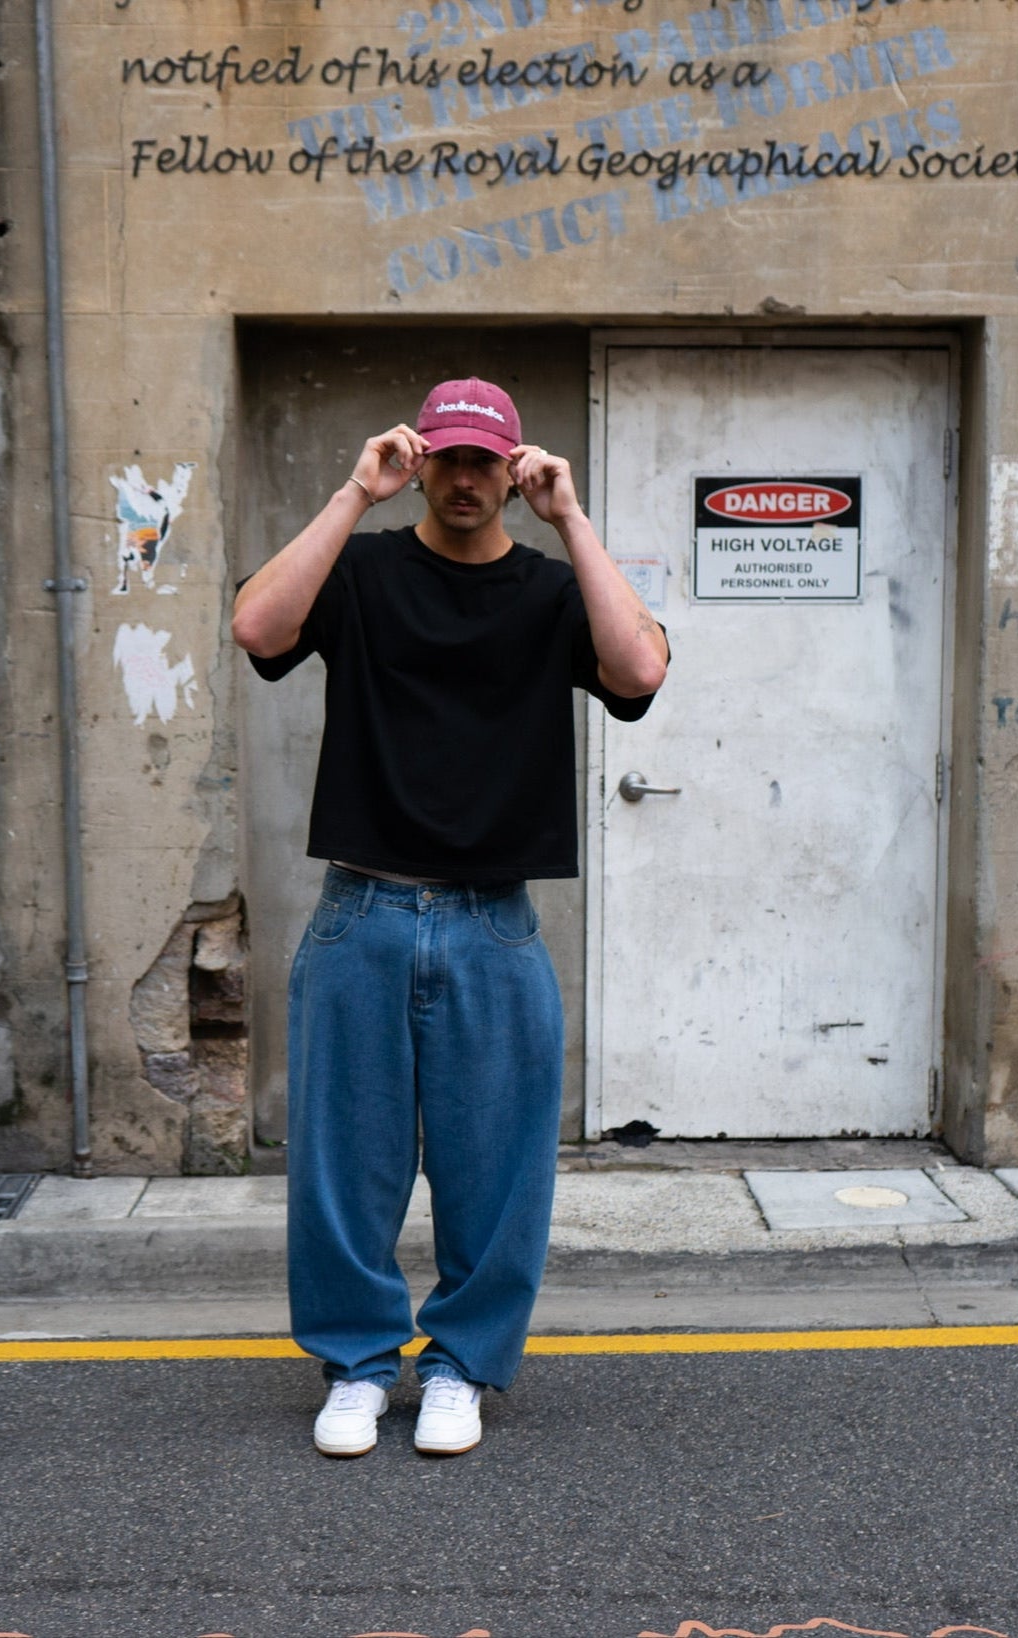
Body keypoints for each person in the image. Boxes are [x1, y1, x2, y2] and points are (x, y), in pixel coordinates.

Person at [231, 376, 668, 1457]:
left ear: (514, 472)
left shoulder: (551, 590)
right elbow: (257, 625)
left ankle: (463, 1366)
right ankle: (358, 1364)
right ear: (419, 461)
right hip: (360, 913)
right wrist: (350, 494)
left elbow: (640, 668)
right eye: (448, 458)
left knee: (496, 1167)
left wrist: (572, 518)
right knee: (346, 1163)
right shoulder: (366, 571)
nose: (466, 479)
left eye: (487, 462)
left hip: (494, 924)